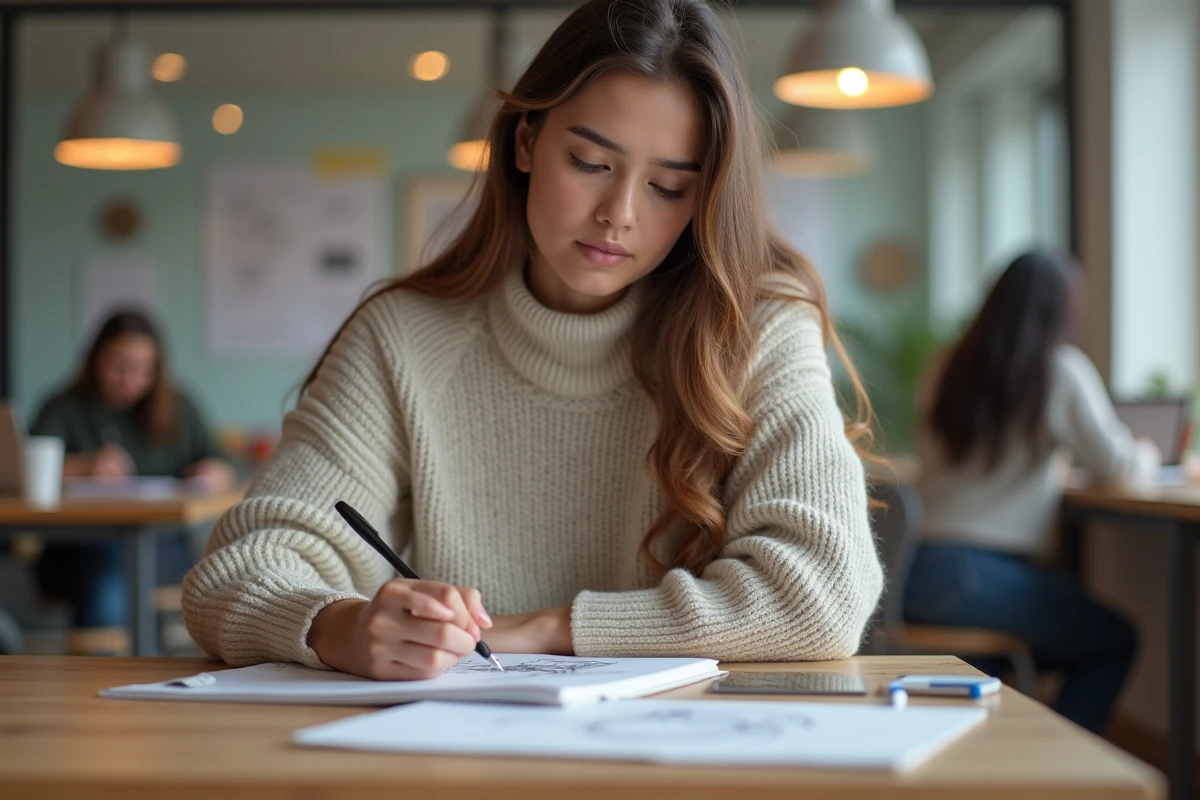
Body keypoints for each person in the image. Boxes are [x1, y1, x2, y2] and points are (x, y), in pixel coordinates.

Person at [184, 0, 883, 679]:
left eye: (669, 187)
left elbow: (823, 594)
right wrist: (343, 627)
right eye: (589, 162)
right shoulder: (403, 339)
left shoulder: (756, 329)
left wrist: (551, 630)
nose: (619, 215)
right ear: (524, 142)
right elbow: (238, 569)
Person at [907, 251, 1158, 733]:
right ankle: (1060, 767)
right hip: (981, 580)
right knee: (1114, 640)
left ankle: (1010, 753)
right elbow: (1119, 463)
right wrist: (1150, 451)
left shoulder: (946, 365)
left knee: (1039, 644)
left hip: (918, 572)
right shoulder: (1058, 369)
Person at [30, 309, 234, 641]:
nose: (129, 379)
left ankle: (110, 664)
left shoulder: (178, 406)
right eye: (118, 365)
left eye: (143, 370)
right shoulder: (64, 406)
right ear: (95, 359)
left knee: (119, 566)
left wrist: (214, 472)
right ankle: (114, 665)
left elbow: (223, 463)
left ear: (157, 370)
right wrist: (83, 466)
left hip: (163, 546)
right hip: (76, 548)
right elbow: (27, 468)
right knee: (107, 563)